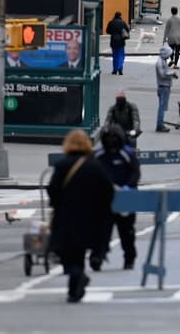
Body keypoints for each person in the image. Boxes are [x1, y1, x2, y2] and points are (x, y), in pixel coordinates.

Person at [48, 129, 114, 302]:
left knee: (66, 250)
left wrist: (57, 205)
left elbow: (53, 189)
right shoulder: (95, 166)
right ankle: (75, 287)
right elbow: (107, 191)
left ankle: (75, 278)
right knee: (79, 251)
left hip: (66, 214)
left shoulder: (62, 165)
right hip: (90, 216)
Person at [92, 125, 141, 271]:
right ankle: (98, 255)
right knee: (101, 229)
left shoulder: (127, 154)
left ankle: (129, 257)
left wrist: (128, 186)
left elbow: (135, 173)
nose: (111, 142)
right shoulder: (98, 155)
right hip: (104, 198)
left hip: (125, 197)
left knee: (127, 231)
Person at [154, 45, 178, 132]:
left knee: (163, 106)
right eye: (168, 54)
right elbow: (162, 74)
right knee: (162, 106)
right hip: (163, 86)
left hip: (165, 86)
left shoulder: (163, 61)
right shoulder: (159, 62)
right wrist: (171, 73)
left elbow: (165, 70)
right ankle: (160, 124)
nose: (169, 57)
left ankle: (161, 123)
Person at [105, 12, 129, 76]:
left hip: (113, 40)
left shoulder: (111, 22)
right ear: (120, 16)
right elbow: (127, 30)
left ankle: (115, 70)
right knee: (121, 55)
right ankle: (120, 68)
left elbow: (107, 31)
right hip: (121, 40)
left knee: (115, 55)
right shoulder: (122, 22)